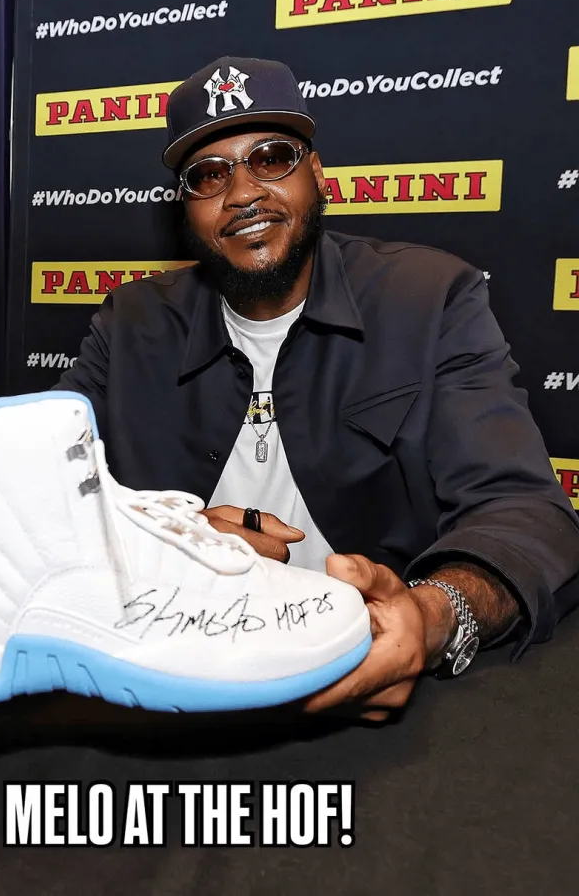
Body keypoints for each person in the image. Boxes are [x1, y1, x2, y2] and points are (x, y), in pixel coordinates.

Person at [52, 56, 579, 720]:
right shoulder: (130, 323)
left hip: (368, 691)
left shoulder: (429, 300)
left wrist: (432, 614)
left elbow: (525, 510)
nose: (243, 192)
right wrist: (172, 539)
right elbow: (43, 497)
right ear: (186, 207)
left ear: (318, 173)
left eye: (271, 158)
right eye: (209, 174)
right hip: (174, 679)